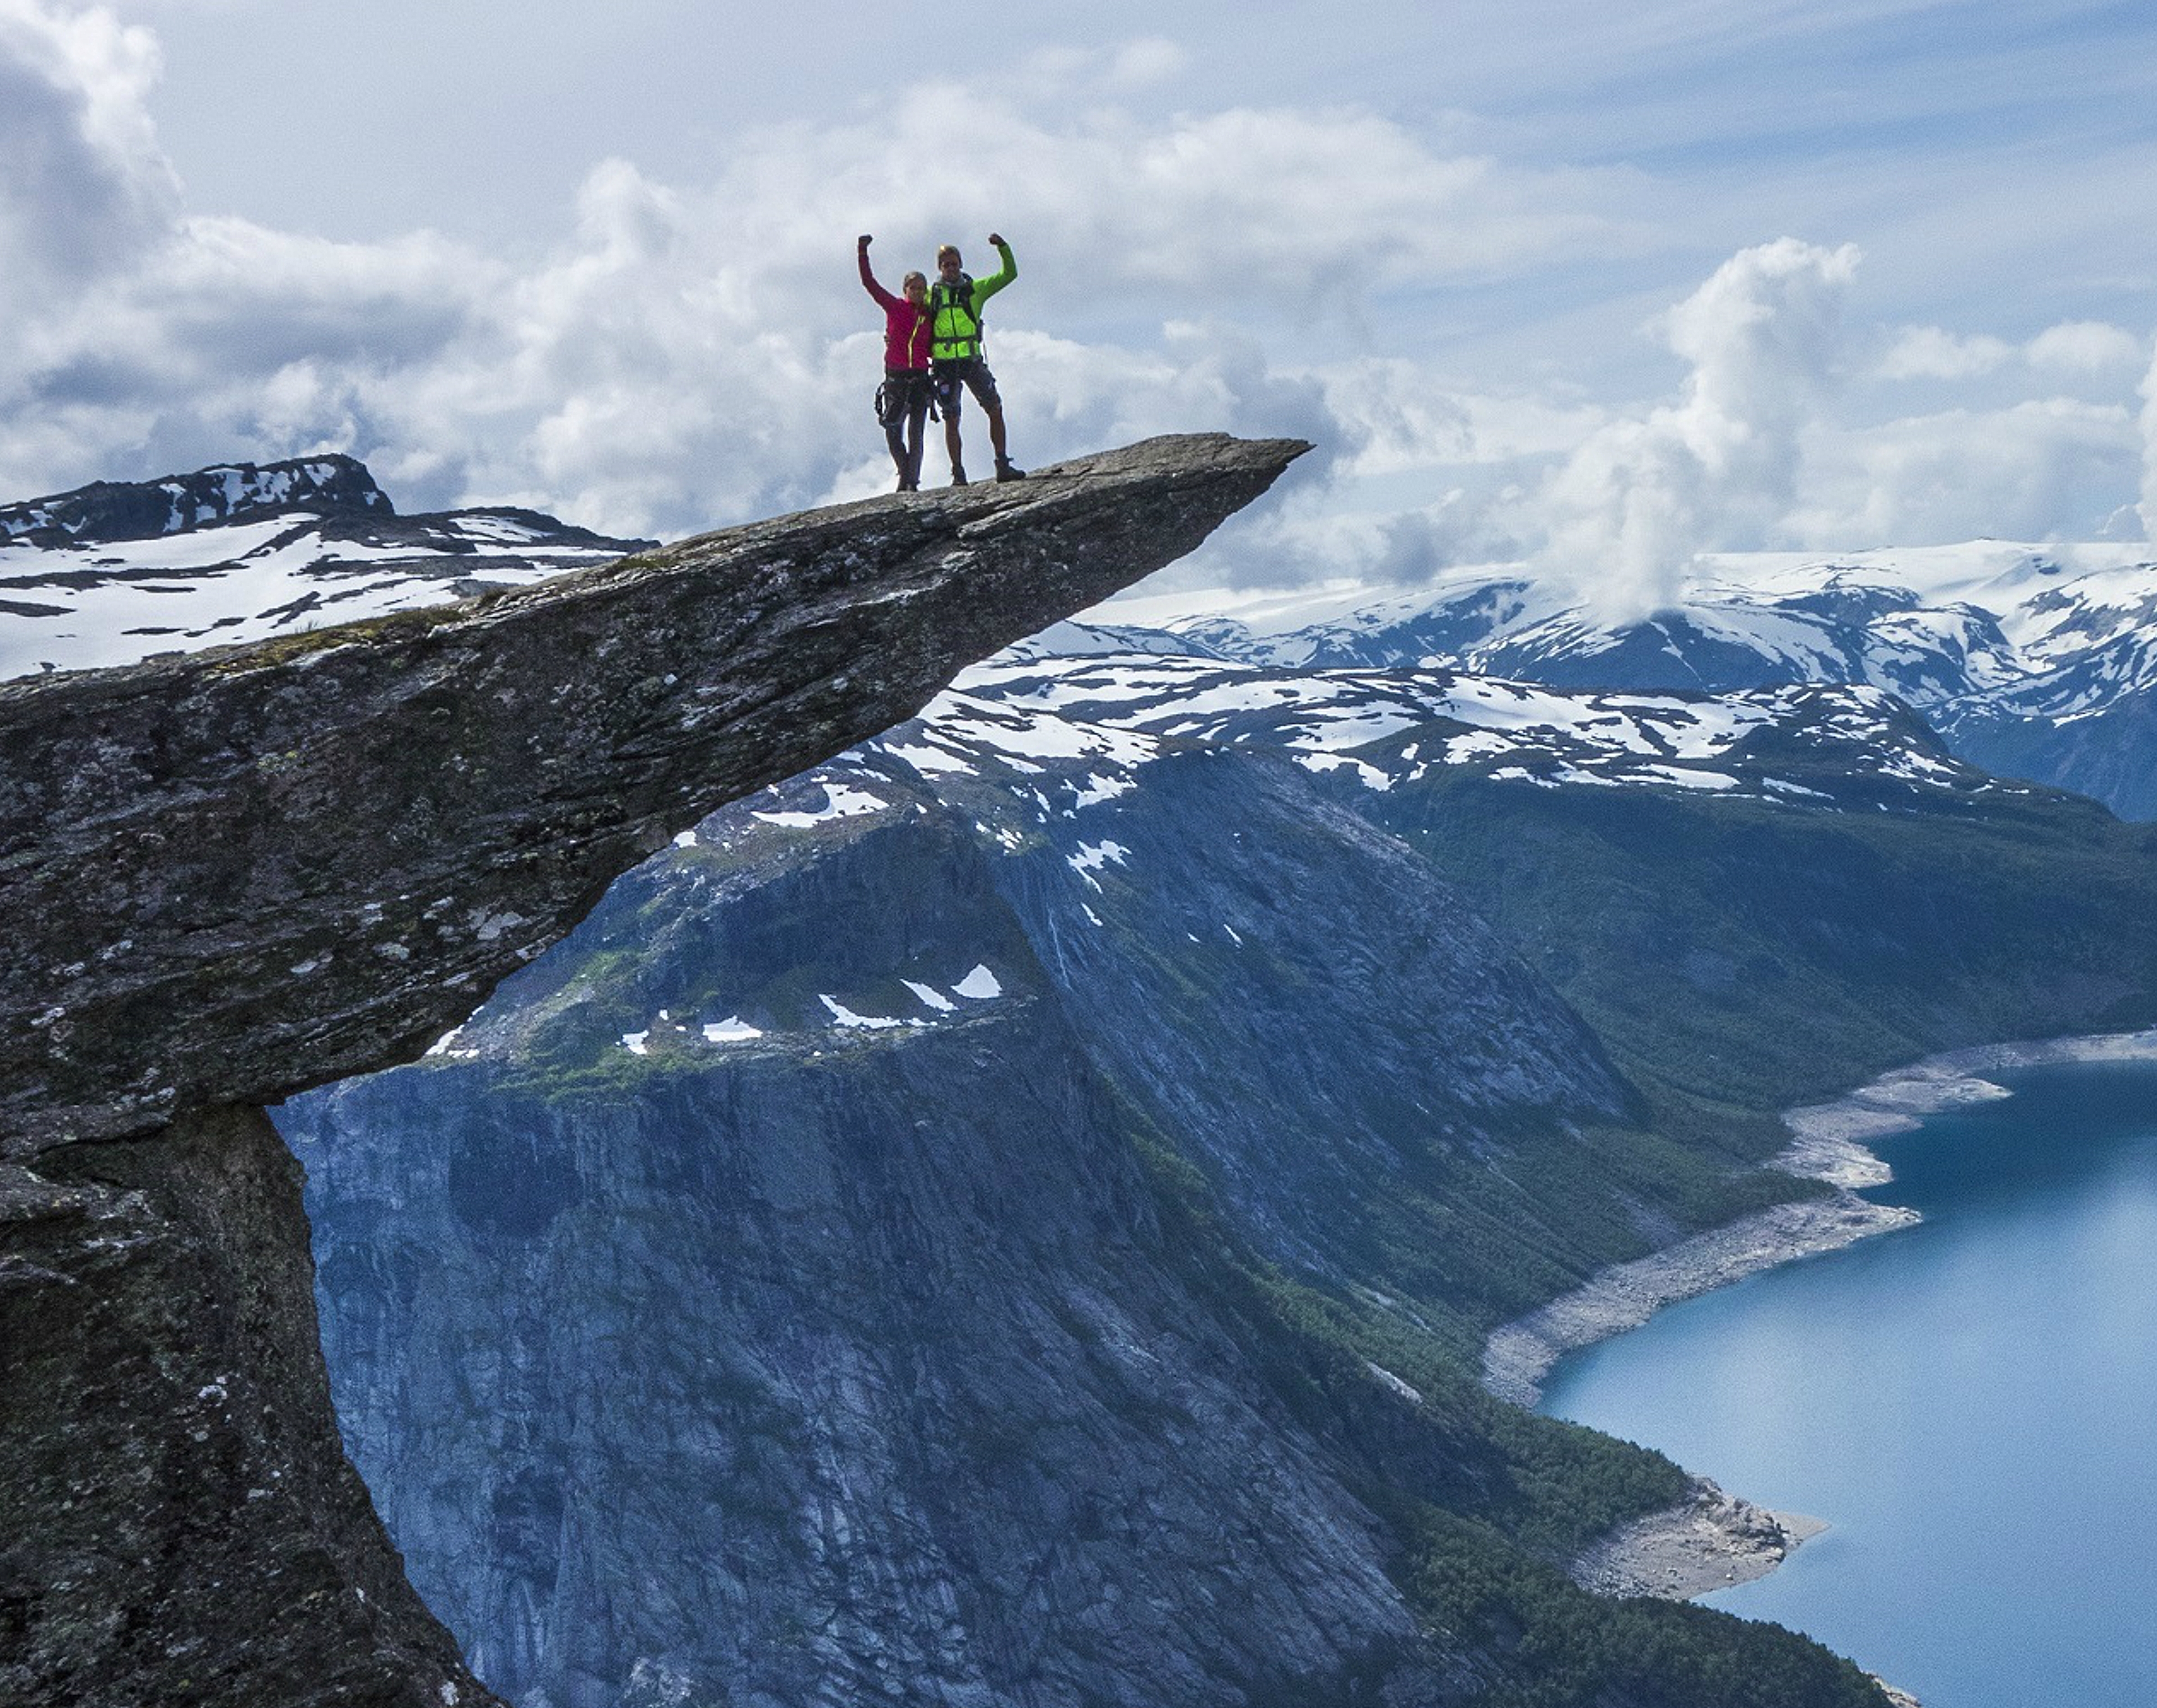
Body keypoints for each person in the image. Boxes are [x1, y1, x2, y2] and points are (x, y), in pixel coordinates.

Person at [928, 234, 1023, 485]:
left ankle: (1003, 465)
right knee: (951, 419)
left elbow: (1009, 274)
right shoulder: (931, 296)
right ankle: (958, 475)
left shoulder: (975, 290)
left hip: (971, 360)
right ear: (940, 268)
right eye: (946, 264)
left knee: (994, 408)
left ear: (961, 264)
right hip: (945, 364)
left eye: (954, 263)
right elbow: (907, 317)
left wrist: (1003, 247)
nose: (951, 268)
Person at [858, 234, 934, 492]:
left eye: (921, 288)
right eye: (913, 287)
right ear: (905, 290)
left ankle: (911, 482)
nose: (917, 292)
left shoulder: (930, 315)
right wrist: (862, 252)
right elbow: (869, 283)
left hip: (921, 378)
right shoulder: (895, 307)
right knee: (892, 429)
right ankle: (905, 472)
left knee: (916, 434)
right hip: (896, 377)